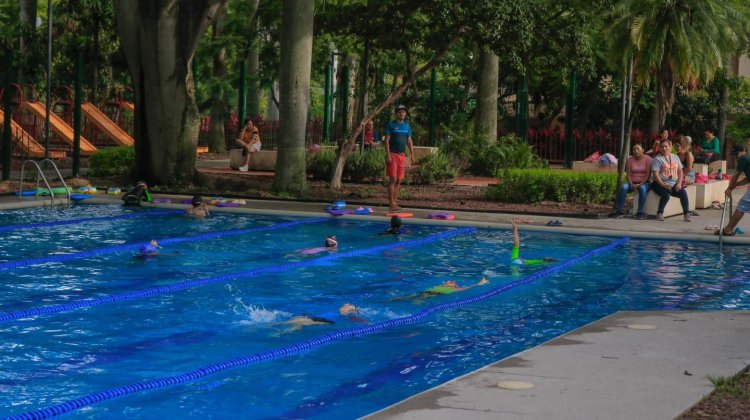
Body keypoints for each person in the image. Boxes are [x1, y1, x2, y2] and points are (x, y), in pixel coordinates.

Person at [650, 139, 691, 222]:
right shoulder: (657, 159)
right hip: (659, 183)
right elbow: (656, 174)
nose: (664, 148)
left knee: (683, 193)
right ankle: (659, 213)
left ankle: (686, 213)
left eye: (666, 146)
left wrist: (679, 183)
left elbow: (680, 171)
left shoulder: (675, 157)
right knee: (666, 194)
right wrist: (663, 185)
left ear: (670, 147)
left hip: (673, 183)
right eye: (662, 147)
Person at [384, 104, 415, 211]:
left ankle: (394, 202)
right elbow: (387, 140)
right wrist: (388, 155)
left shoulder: (407, 126)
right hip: (392, 154)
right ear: (396, 113)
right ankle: (391, 203)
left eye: (403, 112)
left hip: (402, 155)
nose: (402, 114)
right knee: (393, 179)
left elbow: (409, 141)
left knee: (399, 180)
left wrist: (412, 155)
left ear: (405, 114)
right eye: (399, 112)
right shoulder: (391, 125)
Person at [611, 144, 652, 219]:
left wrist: (640, 184)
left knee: (642, 188)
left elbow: (647, 175)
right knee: (623, 187)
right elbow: (628, 175)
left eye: (638, 149)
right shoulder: (629, 160)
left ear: (643, 150)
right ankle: (620, 211)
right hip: (632, 182)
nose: (636, 151)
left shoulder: (648, 159)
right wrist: (631, 184)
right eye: (634, 149)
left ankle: (640, 212)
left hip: (644, 182)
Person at [717, 144, 749, 236]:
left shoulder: (744, 158)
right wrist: (735, 185)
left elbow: (736, 175)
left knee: (741, 207)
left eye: (736, 154)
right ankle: (728, 229)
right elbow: (747, 179)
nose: (735, 157)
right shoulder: (747, 159)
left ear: (743, 151)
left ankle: (728, 229)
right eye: (734, 155)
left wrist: (729, 188)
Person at [392, 278, 490, 304]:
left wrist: (478, 284)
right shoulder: (441, 285)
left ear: (454, 286)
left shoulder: (454, 289)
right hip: (425, 292)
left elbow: (467, 288)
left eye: (451, 282)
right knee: (407, 296)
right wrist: (445, 283)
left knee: (419, 299)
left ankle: (414, 305)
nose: (450, 281)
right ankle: (391, 300)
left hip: (433, 294)